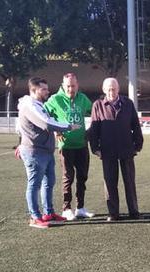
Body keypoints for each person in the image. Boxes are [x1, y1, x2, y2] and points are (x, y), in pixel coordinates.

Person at [17, 76, 77, 229]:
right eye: (43, 89)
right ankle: (35, 217)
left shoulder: (38, 104)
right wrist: (68, 126)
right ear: (33, 90)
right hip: (35, 152)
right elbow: (46, 123)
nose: (47, 91)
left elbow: (24, 128)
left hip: (45, 151)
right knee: (34, 184)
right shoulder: (30, 105)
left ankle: (48, 213)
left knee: (48, 182)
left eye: (47, 88)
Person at [86, 78, 143, 222]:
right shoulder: (98, 105)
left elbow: (135, 125)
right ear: (104, 90)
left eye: (114, 89)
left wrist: (138, 144)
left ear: (118, 89)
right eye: (109, 89)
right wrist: (95, 148)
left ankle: (134, 211)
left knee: (130, 181)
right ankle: (113, 213)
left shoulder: (128, 103)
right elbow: (94, 129)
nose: (111, 92)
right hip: (107, 149)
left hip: (127, 148)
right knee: (110, 182)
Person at [44, 73, 95, 221]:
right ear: (63, 85)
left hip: (82, 145)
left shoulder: (83, 98)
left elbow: (96, 113)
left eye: (73, 86)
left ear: (77, 85)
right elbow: (43, 115)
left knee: (82, 177)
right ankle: (66, 209)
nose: (70, 89)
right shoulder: (55, 99)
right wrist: (56, 129)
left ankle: (80, 208)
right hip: (65, 146)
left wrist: (90, 131)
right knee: (68, 177)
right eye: (68, 86)